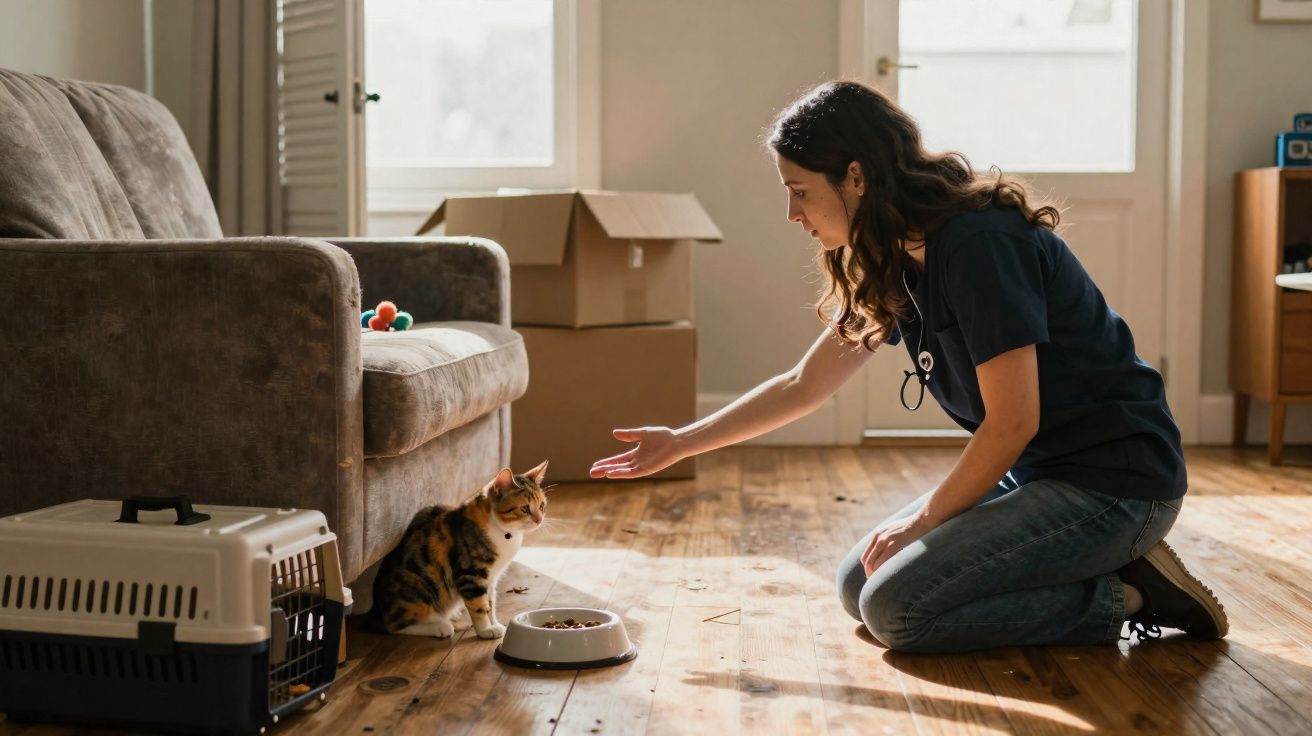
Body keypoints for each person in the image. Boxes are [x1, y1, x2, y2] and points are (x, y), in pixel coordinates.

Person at [588, 80, 1226, 653]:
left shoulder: (979, 244)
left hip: (1115, 484)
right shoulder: (894, 253)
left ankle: (1135, 597)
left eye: (801, 192)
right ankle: (1093, 570)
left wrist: (923, 523)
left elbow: (1012, 422)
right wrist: (681, 442)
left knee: (897, 611)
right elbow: (804, 385)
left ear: (858, 177)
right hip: (1037, 476)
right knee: (856, 585)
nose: (793, 215)